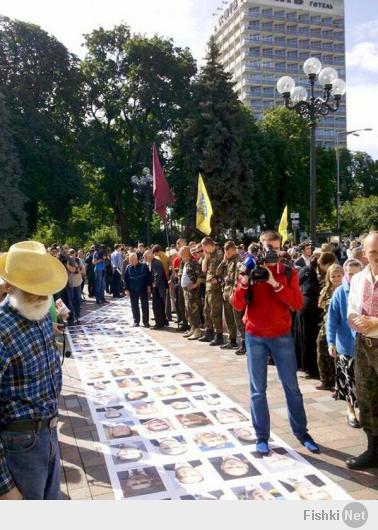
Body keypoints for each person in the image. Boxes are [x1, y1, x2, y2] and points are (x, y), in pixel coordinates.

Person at [233, 230, 319, 455]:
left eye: (275, 247)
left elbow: (298, 303)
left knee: (291, 387)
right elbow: (237, 303)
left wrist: (274, 283)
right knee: (257, 390)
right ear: (259, 246)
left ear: (281, 247)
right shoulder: (249, 267)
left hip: (281, 335)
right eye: (267, 246)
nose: (271, 251)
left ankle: (302, 433)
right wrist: (244, 281)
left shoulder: (288, 270)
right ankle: (262, 435)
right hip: (255, 335)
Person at [0, 241, 68, 500]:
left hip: (48, 434)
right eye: (32, 290)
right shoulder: (2, 329)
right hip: (20, 445)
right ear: (9, 287)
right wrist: (4, 487)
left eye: (45, 288)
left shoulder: (37, 314)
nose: (42, 297)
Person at [346, 232, 378, 470]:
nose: (377, 256)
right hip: (364, 345)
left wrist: (374, 322)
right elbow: (352, 309)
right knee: (367, 398)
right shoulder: (358, 279)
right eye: (373, 252)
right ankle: (373, 451)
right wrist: (356, 320)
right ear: (364, 254)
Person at [327, 259, 363, 428]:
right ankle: (350, 410)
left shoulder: (367, 291)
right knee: (348, 380)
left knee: (364, 382)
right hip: (346, 345)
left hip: (365, 346)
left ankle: (364, 410)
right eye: (350, 273)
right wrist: (330, 342)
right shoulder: (340, 292)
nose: (353, 276)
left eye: (357, 273)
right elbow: (332, 320)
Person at [295, 252, 336, 377]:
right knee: (310, 340)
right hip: (310, 310)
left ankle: (308, 367)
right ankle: (312, 369)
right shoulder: (314, 273)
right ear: (326, 264)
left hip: (304, 308)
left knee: (306, 339)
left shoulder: (306, 270)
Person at [315, 264, 344, 390]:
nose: (336, 279)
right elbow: (321, 306)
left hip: (341, 326)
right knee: (321, 348)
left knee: (338, 356)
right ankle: (326, 380)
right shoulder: (326, 290)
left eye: (339, 276)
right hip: (326, 324)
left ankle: (339, 385)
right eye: (333, 276)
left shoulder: (346, 290)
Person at [216, 241, 245, 353]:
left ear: (233, 249)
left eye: (227, 250)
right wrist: (223, 260)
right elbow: (217, 272)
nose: (226, 253)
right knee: (229, 319)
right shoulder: (227, 261)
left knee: (238, 320)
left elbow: (238, 280)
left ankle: (244, 342)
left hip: (234, 294)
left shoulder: (239, 260)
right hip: (227, 293)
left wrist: (234, 294)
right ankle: (232, 340)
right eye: (224, 250)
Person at [199, 237, 224, 346]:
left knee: (215, 312)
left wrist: (218, 279)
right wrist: (206, 257)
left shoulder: (219, 254)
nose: (203, 249)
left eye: (204, 247)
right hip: (208, 287)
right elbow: (204, 269)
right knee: (206, 310)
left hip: (216, 287)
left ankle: (218, 335)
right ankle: (209, 332)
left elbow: (222, 270)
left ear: (209, 245)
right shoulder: (208, 255)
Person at [179, 246, 203, 340]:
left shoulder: (193, 263)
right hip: (186, 291)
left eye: (181, 254)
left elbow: (201, 276)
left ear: (186, 253)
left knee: (193, 311)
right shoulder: (186, 263)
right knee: (188, 311)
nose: (180, 256)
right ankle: (192, 328)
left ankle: (197, 331)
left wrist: (194, 285)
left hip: (193, 293)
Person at [124, 253, 151, 328]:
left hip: (143, 289)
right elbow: (125, 279)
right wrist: (126, 289)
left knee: (145, 306)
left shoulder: (144, 266)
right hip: (132, 290)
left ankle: (146, 322)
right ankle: (136, 321)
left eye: (132, 260)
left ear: (136, 259)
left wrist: (148, 288)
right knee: (134, 306)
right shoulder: (128, 267)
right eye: (130, 260)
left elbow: (148, 278)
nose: (131, 262)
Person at [144, 250, 168, 329]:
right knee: (160, 305)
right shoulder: (152, 262)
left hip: (158, 288)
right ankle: (163, 321)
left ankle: (159, 324)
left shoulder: (156, 263)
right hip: (157, 288)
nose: (145, 259)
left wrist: (154, 287)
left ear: (150, 256)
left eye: (146, 257)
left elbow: (157, 276)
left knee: (157, 306)